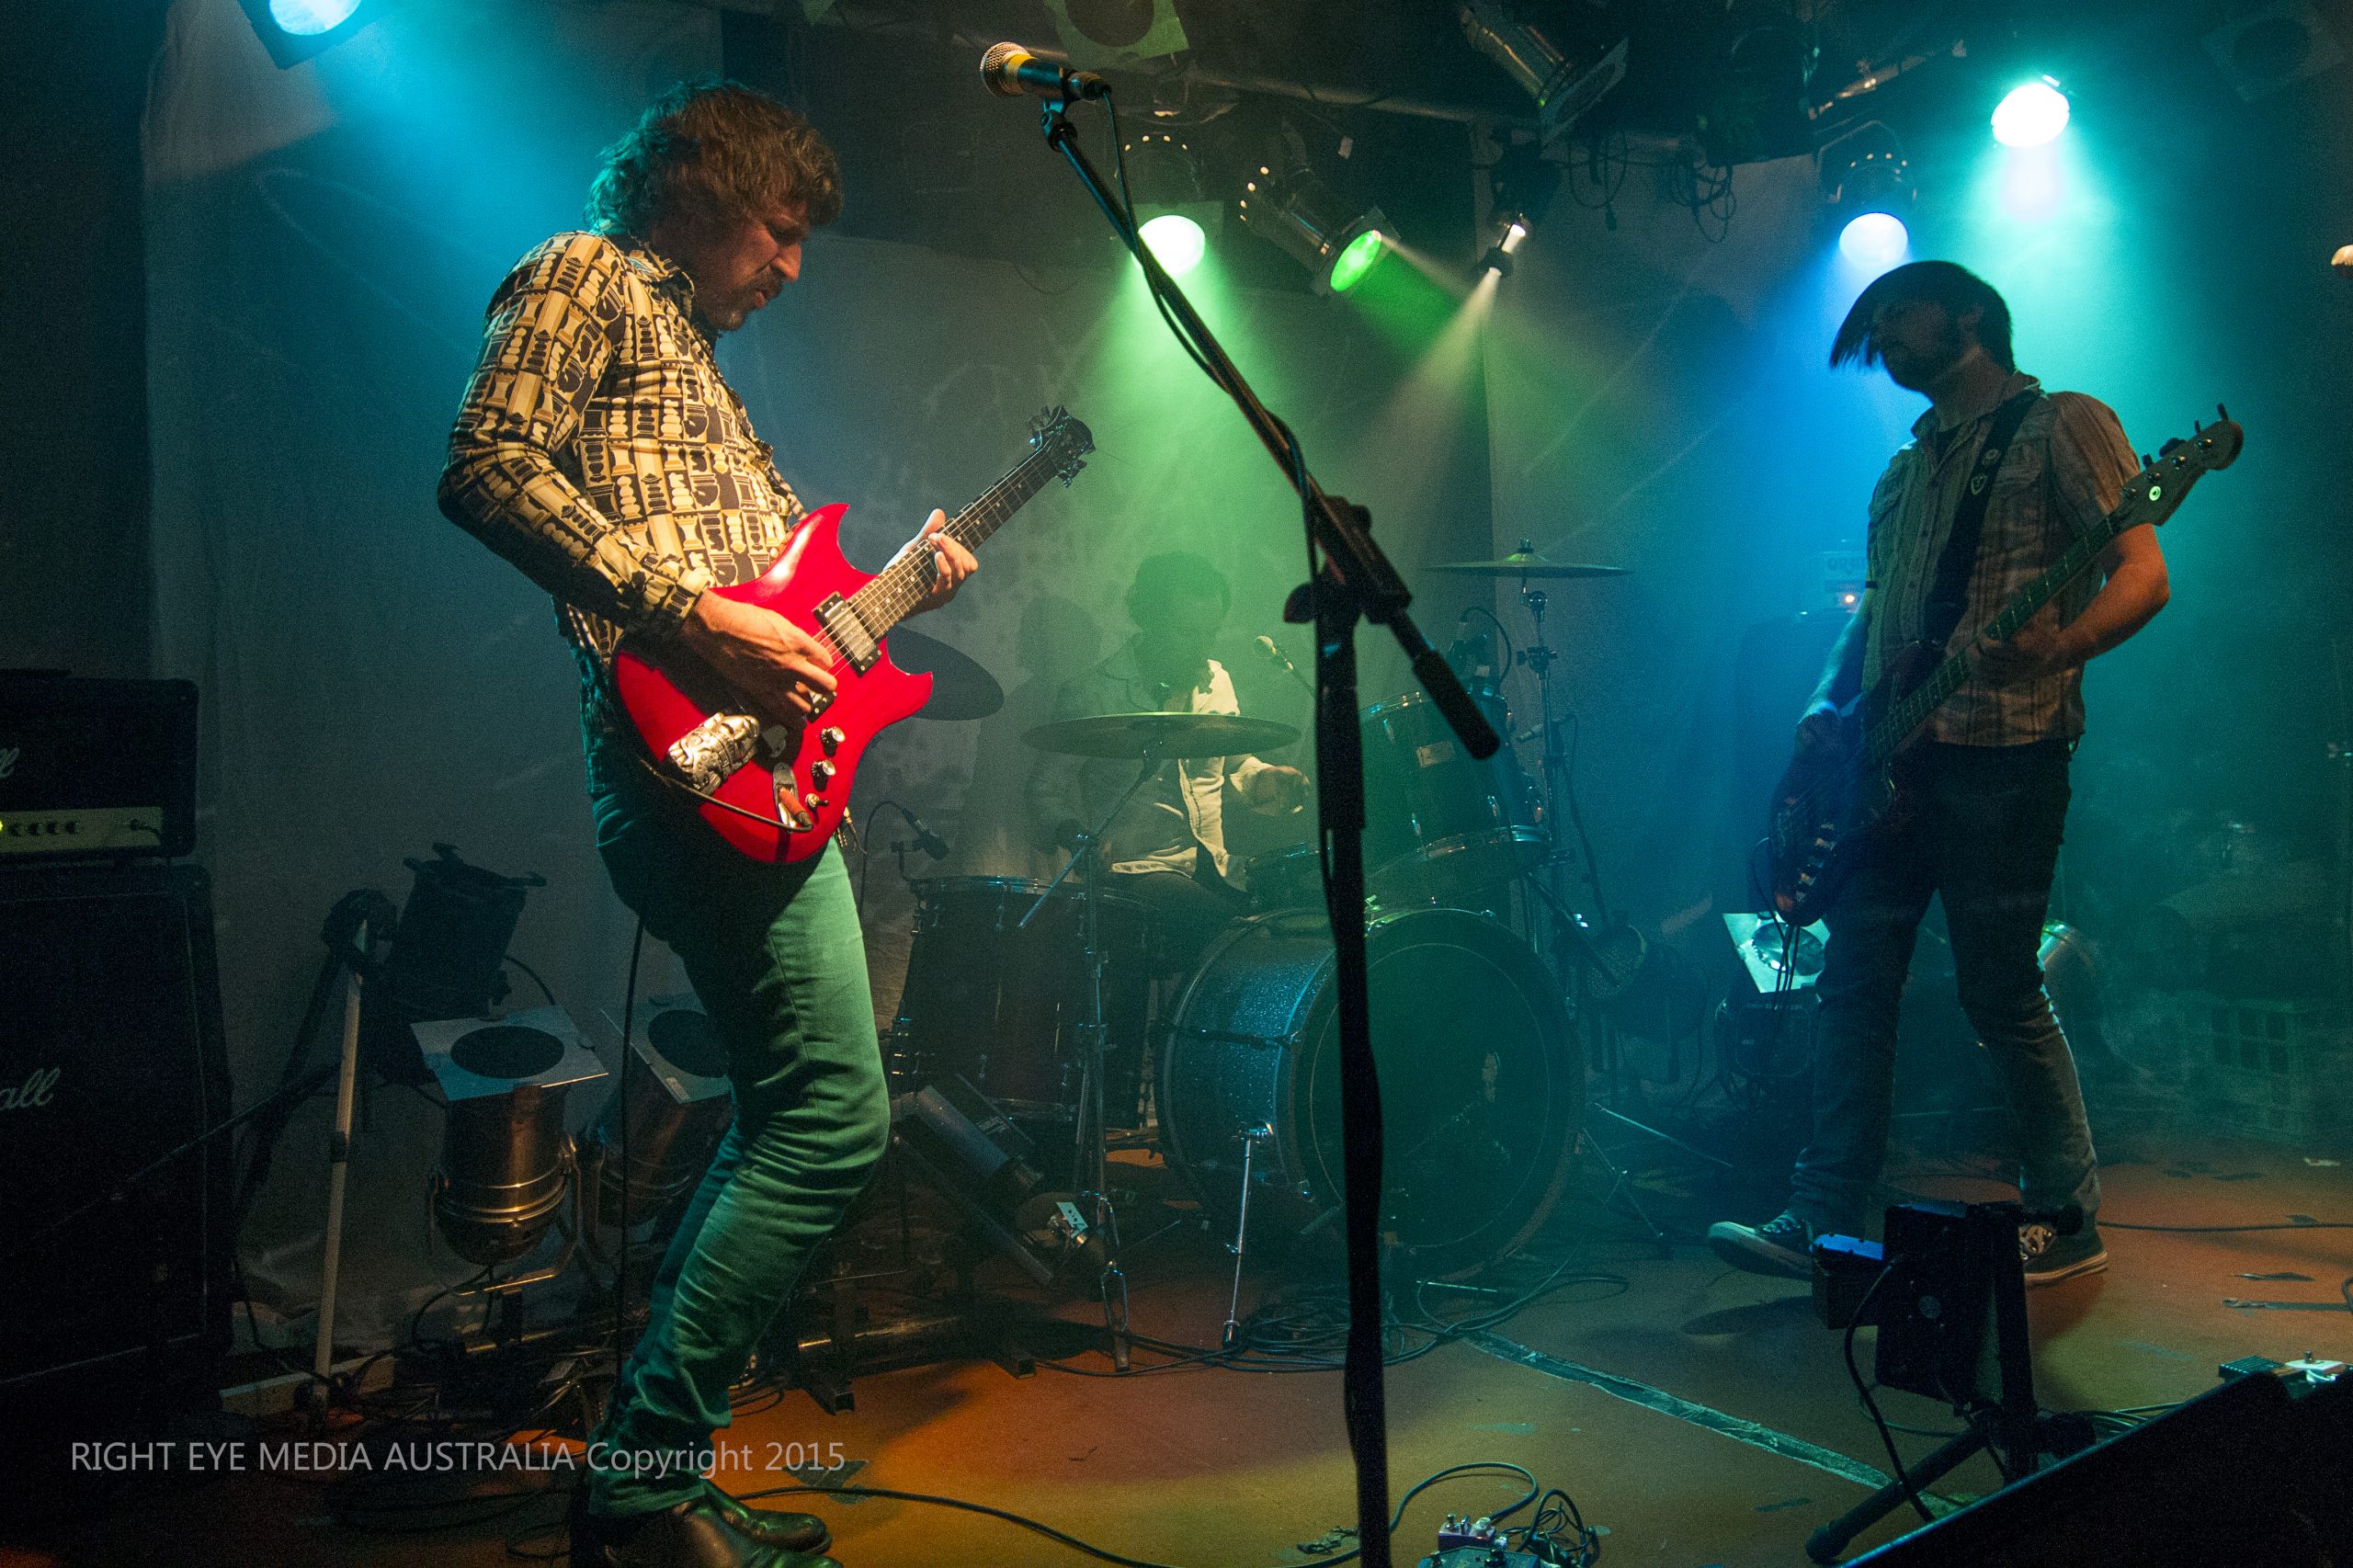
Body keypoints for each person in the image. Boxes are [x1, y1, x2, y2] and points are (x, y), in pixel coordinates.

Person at [438, 80, 976, 1568]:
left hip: (762, 773)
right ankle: (638, 1489)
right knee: (832, 1118)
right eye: (779, 229)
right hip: (685, 766)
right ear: (699, 186)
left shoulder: (701, 369)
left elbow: (782, 611)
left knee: (796, 1115)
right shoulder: (583, 272)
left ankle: (652, 1477)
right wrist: (692, 615)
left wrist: (894, 592)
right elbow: (485, 466)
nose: (791, 266)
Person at [1707, 261, 2168, 1289]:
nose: (1881, 332)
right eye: (1872, 321)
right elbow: (1877, 614)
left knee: (1998, 991)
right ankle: (1822, 1214)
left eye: (1897, 312)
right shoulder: (1901, 472)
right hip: (1887, 765)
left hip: (2004, 755)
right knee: (1853, 988)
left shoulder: (2063, 423)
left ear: (1968, 315)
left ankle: (2066, 1211)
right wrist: (1825, 700)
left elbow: (2144, 572)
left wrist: (2063, 645)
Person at [1027, 551, 1309, 965]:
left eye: (1209, 633)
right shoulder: (1092, 693)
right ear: (1149, 619)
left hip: (1219, 868)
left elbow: (1235, 766)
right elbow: (1044, 791)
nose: (1201, 647)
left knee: (1307, 914)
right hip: (1134, 873)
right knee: (1236, 938)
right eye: (1187, 632)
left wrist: (1266, 778)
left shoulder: (1217, 681)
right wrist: (1077, 837)